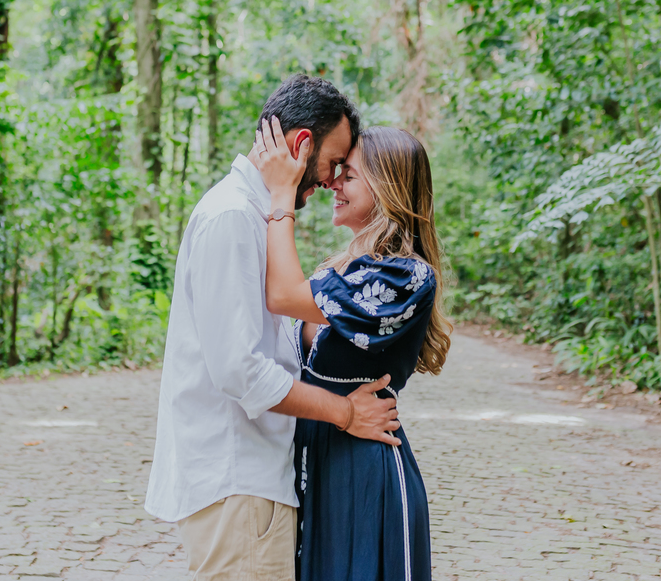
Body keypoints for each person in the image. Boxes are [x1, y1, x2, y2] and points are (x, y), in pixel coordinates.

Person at [145, 75, 403, 581]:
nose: (331, 181)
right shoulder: (233, 217)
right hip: (239, 482)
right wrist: (345, 413)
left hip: (252, 482)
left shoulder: (253, 214)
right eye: (333, 163)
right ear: (301, 144)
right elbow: (239, 370)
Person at [254, 117, 451, 581]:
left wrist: (282, 195)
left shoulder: (405, 275)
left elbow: (282, 295)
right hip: (319, 460)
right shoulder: (344, 268)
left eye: (350, 175)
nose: (333, 184)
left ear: (386, 189)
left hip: (363, 469)